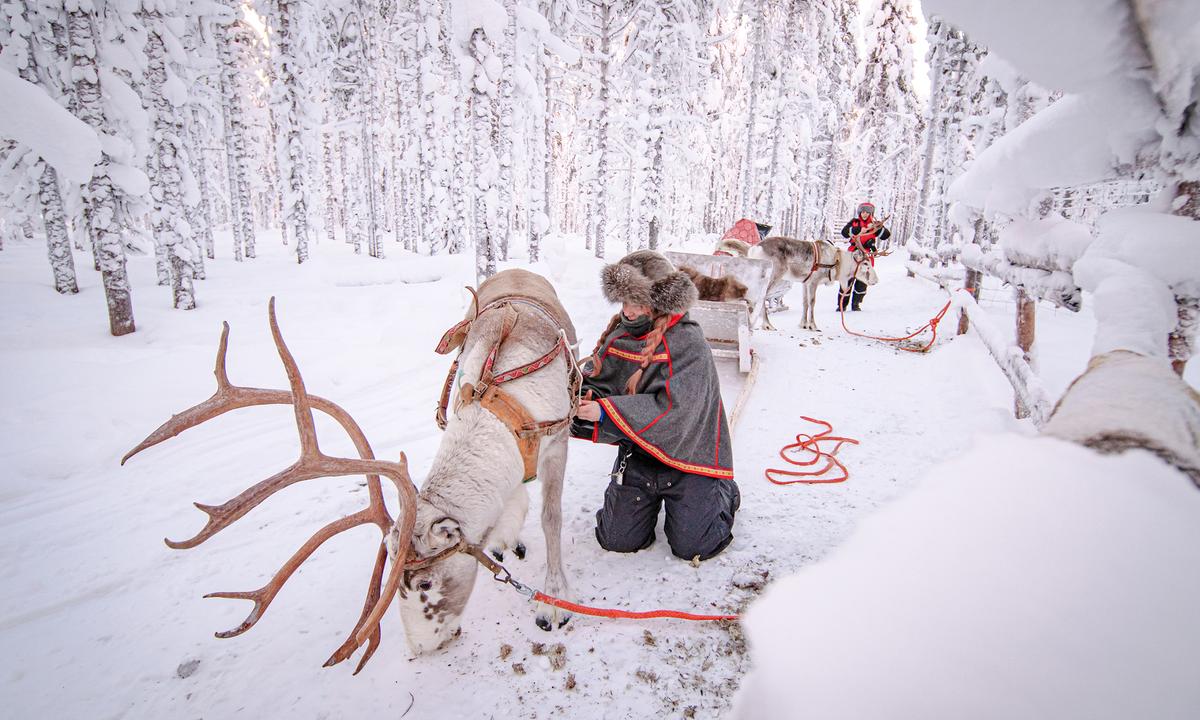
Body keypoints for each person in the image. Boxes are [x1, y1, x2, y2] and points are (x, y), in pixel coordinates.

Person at [571, 250, 740, 563]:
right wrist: (586, 399)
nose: (628, 311)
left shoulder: (688, 341)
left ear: (660, 301)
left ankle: (723, 491)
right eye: (624, 301)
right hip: (641, 454)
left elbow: (678, 413)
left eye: (637, 303)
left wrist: (607, 412)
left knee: (694, 547)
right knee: (616, 539)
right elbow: (601, 383)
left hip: (690, 457)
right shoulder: (620, 335)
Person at [838, 202, 890, 311]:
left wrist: (879, 228)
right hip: (852, 254)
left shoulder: (874, 225)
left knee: (862, 282)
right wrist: (856, 230)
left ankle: (856, 304)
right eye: (863, 212)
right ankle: (842, 305)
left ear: (871, 213)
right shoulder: (854, 222)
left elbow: (886, 235)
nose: (864, 214)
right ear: (860, 212)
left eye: (867, 212)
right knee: (847, 280)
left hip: (866, 255)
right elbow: (844, 232)